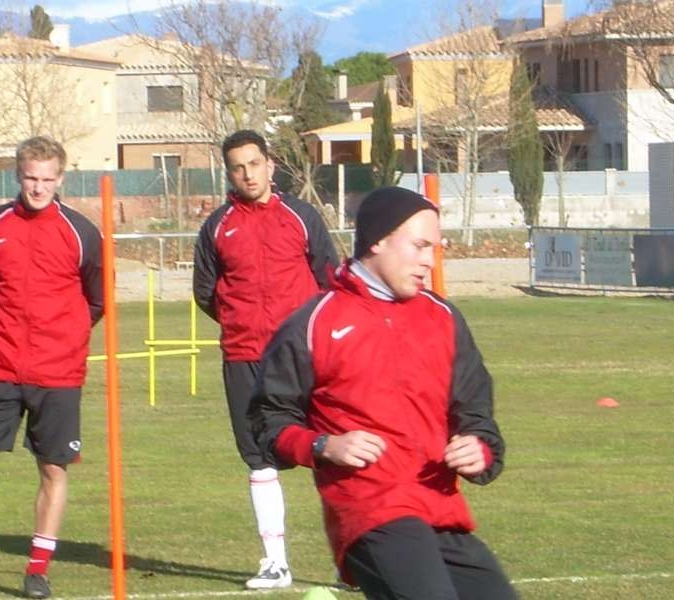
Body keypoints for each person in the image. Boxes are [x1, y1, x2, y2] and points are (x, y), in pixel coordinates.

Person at [251, 186, 519, 599]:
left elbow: (476, 414)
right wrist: (323, 444)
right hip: (369, 513)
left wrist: (479, 449)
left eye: (435, 248)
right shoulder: (315, 322)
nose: (430, 261)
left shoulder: (443, 318)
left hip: (440, 509)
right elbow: (268, 420)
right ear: (378, 239)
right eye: (420, 246)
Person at [0, 136, 103, 599]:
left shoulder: (82, 233)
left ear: (61, 178)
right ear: (18, 176)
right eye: (31, 178)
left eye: (47, 179)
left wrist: (65, 340)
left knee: (54, 470)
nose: (38, 188)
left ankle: (38, 569)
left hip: (56, 374)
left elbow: (95, 300)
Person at [193, 129, 338, 589]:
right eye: (237, 167)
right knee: (259, 460)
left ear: (270, 165)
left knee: (334, 454)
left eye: (254, 163)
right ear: (229, 173)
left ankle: (352, 557)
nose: (247, 173)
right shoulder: (216, 227)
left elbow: (329, 278)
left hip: (304, 359)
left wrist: (303, 334)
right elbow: (206, 293)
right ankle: (275, 562)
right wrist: (242, 324)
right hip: (244, 357)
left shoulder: (302, 216)